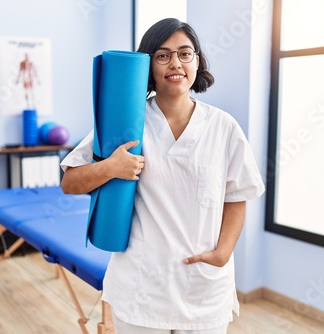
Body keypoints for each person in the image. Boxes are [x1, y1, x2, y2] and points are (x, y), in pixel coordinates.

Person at [61, 18, 265, 333]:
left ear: (198, 61)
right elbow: (70, 182)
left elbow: (237, 195)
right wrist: (110, 167)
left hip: (203, 287)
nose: (175, 63)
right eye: (162, 55)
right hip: (142, 287)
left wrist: (223, 252)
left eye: (185, 54)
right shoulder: (126, 122)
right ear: (148, 65)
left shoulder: (224, 127)